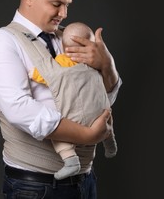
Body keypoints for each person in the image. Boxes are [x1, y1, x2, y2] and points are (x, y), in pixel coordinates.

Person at [0, 0, 122, 198]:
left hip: (86, 182)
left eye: (67, 5)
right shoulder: (2, 42)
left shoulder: (71, 38)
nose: (64, 14)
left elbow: (101, 97)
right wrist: (88, 136)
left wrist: (107, 66)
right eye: (56, 4)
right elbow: (19, 109)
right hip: (36, 187)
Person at [29, 21, 118, 180]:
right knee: (108, 122)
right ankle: (110, 143)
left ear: (63, 47)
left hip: (75, 118)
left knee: (59, 135)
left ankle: (70, 160)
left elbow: (44, 75)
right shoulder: (94, 63)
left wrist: (32, 74)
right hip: (100, 112)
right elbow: (109, 87)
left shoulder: (61, 63)